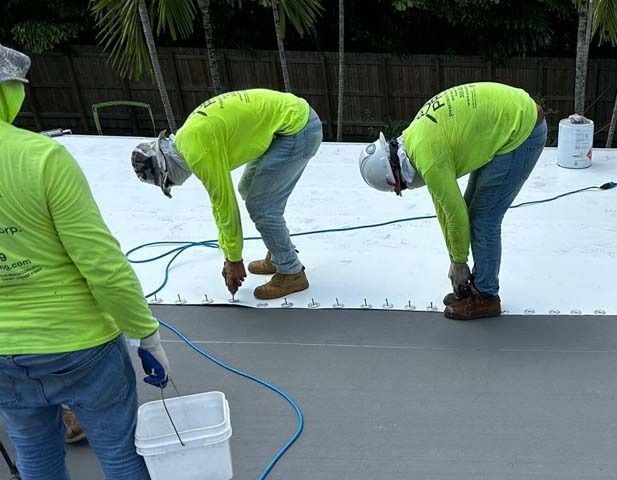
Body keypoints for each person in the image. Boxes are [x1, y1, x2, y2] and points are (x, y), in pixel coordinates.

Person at [0, 44, 204, 480]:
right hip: (77, 344)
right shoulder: (40, 159)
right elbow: (101, 263)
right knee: (118, 444)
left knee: (32, 443)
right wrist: (145, 334)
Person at [359, 82, 547, 320]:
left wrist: (459, 263)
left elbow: (456, 215)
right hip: (507, 120)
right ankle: (478, 286)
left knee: (484, 219)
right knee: (473, 212)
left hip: (521, 130)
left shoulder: (429, 159)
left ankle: (487, 296)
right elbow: (444, 209)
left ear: (396, 175)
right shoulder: (415, 141)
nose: (404, 190)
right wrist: (455, 259)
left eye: (400, 187)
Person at [131, 90, 322, 300]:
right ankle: (279, 253)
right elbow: (219, 206)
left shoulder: (198, 152)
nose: (174, 184)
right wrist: (229, 256)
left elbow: (224, 205)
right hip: (287, 122)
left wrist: (234, 260)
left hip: (298, 129)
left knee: (262, 207)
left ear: (166, 168)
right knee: (247, 189)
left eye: (169, 182)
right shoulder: (187, 139)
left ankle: (291, 272)